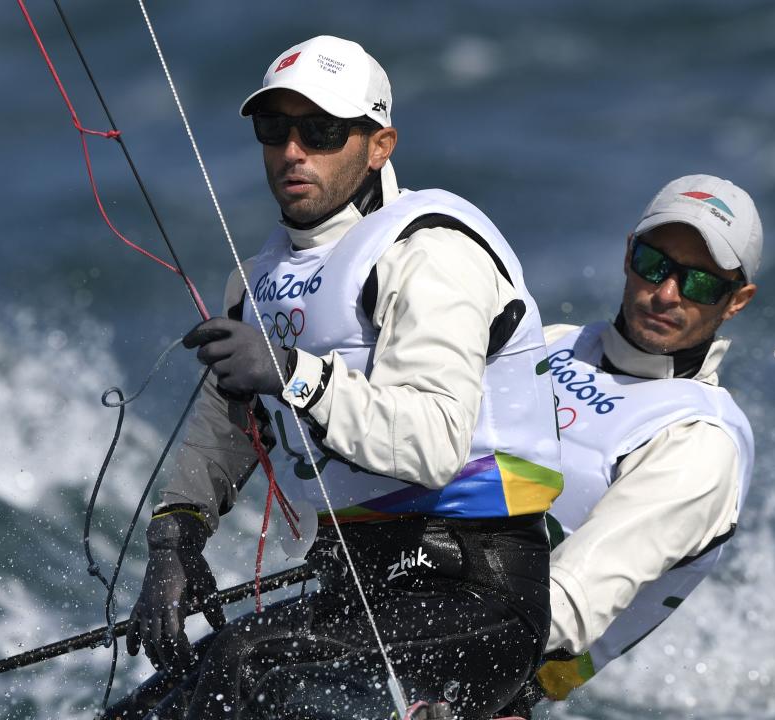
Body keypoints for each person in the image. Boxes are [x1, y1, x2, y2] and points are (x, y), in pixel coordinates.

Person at [108, 35, 562, 720]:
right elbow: (221, 431)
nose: (294, 150)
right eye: (275, 128)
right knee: (142, 712)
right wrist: (176, 536)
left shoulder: (429, 253)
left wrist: (296, 374)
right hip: (353, 589)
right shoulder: (257, 281)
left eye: (321, 131)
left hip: (479, 590)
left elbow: (433, 445)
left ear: (378, 144)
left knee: (246, 665)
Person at [502, 174, 760, 713]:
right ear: (628, 254)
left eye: (702, 284)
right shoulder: (550, 342)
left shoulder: (700, 442)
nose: (667, 294)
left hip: (488, 680)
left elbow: (572, 604)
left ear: (736, 300)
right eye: (654, 264)